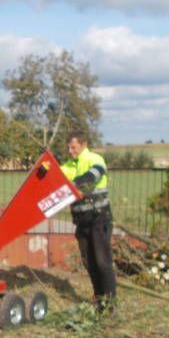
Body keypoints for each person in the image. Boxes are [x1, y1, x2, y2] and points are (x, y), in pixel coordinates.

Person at [61, 132, 117, 313]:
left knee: (102, 261)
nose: (70, 151)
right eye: (68, 148)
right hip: (81, 221)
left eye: (74, 147)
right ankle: (98, 297)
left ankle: (109, 304)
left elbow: (95, 173)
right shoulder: (68, 166)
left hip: (98, 219)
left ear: (84, 144)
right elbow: (56, 177)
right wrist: (48, 163)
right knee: (89, 262)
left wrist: (78, 182)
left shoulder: (94, 158)